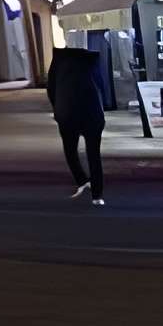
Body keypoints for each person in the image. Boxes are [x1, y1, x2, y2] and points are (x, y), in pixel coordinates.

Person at [46, 41, 110, 206]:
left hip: (67, 113)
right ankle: (97, 196)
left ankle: (82, 180)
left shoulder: (59, 61)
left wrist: (57, 108)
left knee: (70, 150)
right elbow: (102, 86)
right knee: (94, 155)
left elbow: (51, 88)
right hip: (92, 113)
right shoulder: (91, 60)